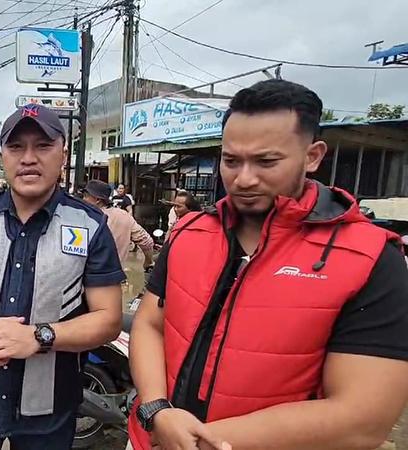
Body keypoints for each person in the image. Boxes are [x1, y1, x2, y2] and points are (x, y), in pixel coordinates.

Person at [128, 79, 408, 450]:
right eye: (231, 160)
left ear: (313, 156)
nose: (243, 179)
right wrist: (156, 411)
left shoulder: (370, 258)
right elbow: (149, 323)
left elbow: (363, 418)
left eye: (266, 161)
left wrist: (196, 441)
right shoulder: (190, 233)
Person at [0, 104, 125, 449]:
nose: (28, 158)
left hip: (48, 416)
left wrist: (39, 337)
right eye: (16, 147)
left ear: (63, 153)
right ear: (2, 155)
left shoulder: (91, 226)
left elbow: (108, 319)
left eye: (43, 146)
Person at [82, 179, 154, 267]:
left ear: (97, 199)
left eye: (86, 196)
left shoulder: (86, 216)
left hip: (87, 275)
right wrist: (148, 261)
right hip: (115, 275)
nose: (83, 199)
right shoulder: (123, 216)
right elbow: (147, 242)